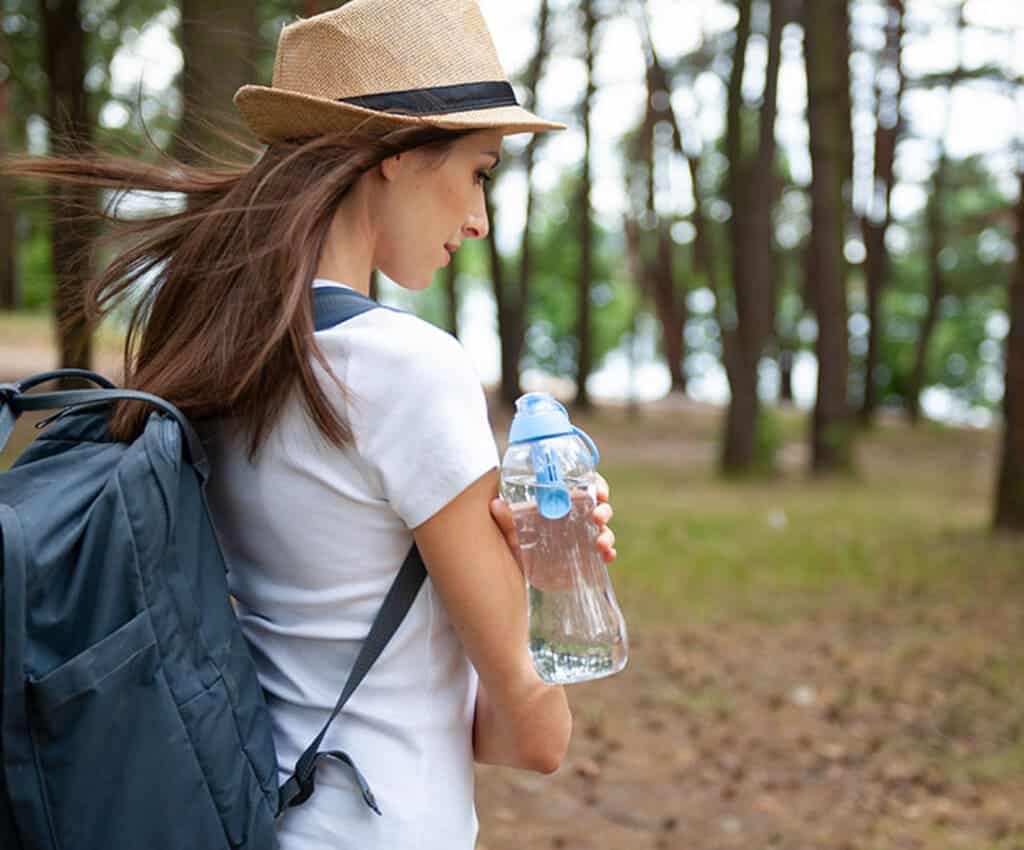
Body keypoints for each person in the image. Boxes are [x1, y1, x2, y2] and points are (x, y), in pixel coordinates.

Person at [5, 1, 619, 848]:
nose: (477, 218)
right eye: (478, 170)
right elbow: (533, 738)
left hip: (247, 812)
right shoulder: (409, 370)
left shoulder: (217, 355)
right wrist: (554, 568)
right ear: (396, 159)